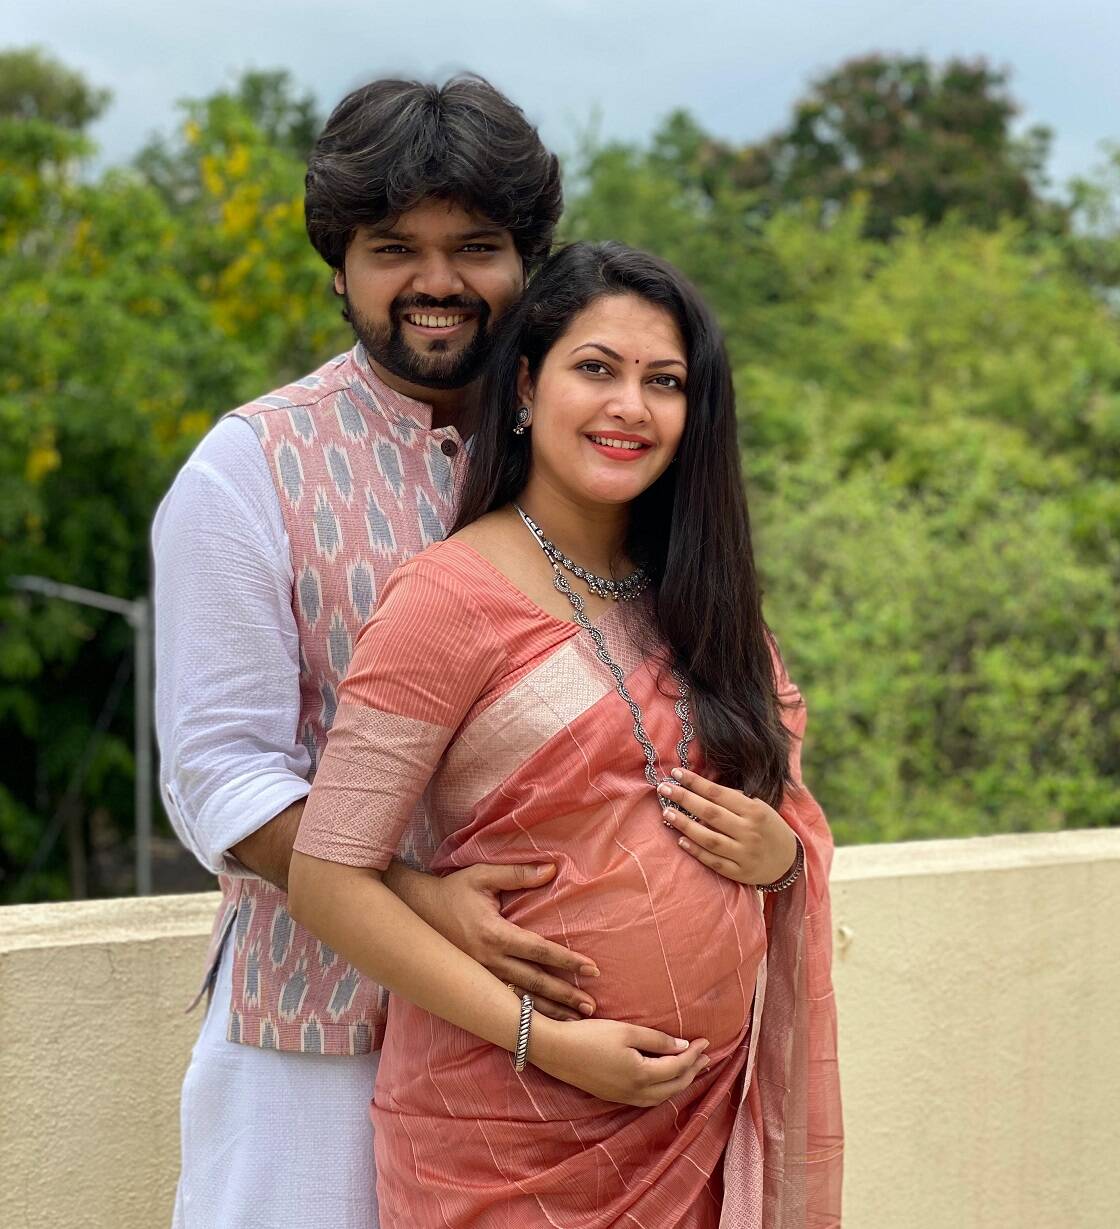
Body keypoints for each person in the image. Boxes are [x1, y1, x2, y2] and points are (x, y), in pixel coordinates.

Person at [289, 241, 844, 1228]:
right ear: (524, 387)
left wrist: (781, 857)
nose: (630, 406)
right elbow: (328, 877)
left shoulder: (703, 603)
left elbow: (785, 800)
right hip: (503, 1135)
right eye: (597, 368)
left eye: (664, 381)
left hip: (699, 1129)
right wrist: (541, 1037)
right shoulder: (445, 599)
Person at [153, 76, 595, 1229]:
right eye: (395, 247)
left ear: (529, 263)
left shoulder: (587, 454)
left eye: (476, 246)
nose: (437, 281)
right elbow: (219, 775)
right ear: (339, 268)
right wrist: (419, 901)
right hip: (317, 1046)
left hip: (564, 1042)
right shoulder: (250, 469)